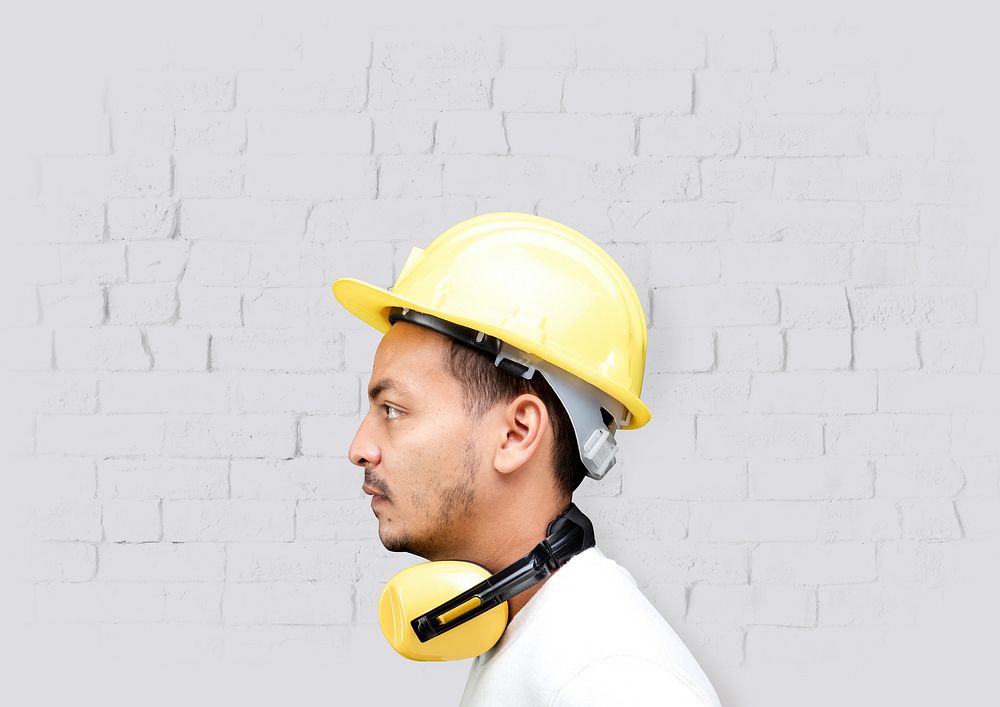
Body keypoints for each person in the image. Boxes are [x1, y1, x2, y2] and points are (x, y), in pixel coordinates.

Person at [332, 213, 721, 706]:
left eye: (393, 410)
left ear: (516, 434)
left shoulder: (611, 680)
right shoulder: (535, 638)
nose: (359, 447)